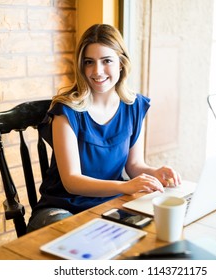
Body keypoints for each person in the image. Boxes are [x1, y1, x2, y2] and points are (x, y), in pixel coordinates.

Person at [27, 24, 181, 232]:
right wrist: (125, 186)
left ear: (121, 63)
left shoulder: (134, 106)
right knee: (86, 243)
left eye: (106, 61)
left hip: (110, 204)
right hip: (61, 209)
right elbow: (72, 181)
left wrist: (155, 173)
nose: (97, 71)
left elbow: (134, 165)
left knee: (152, 233)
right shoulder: (66, 111)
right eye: (89, 62)